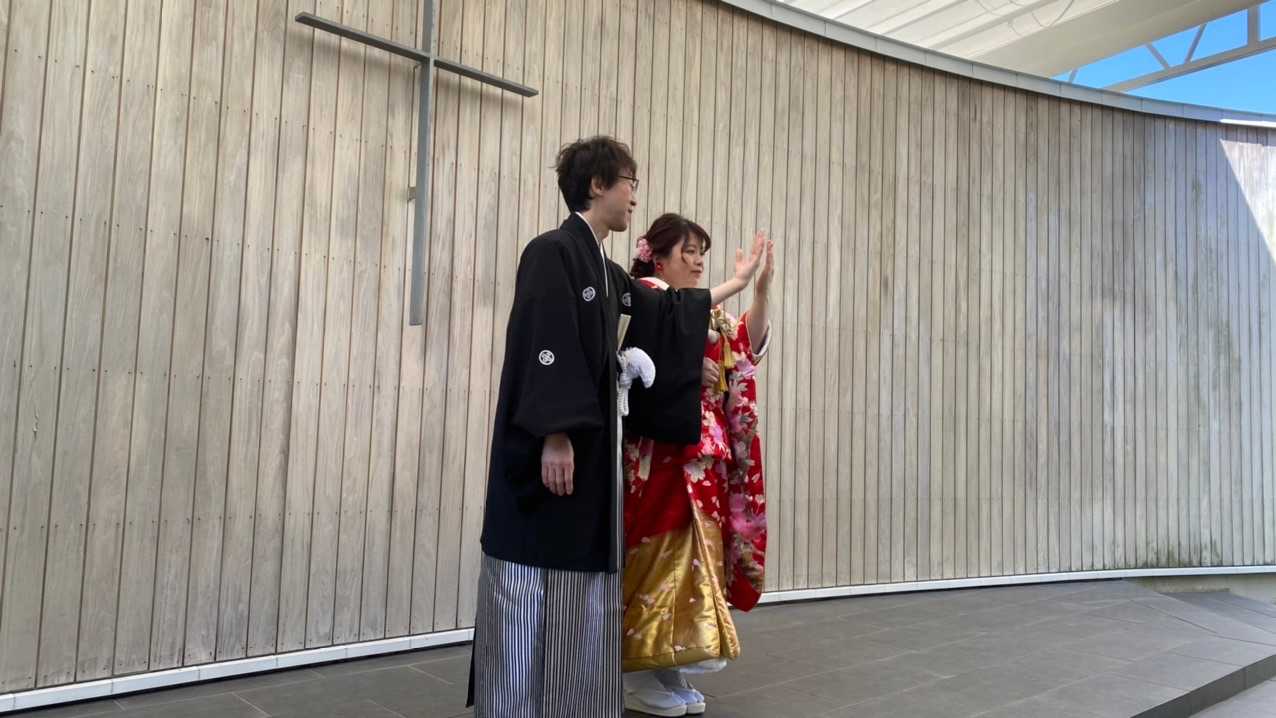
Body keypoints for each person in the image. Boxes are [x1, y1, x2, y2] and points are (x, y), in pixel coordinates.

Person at [468, 136, 768, 718]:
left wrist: (740, 284)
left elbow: (669, 314)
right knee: (530, 583)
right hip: (552, 452)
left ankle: (571, 703)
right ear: (597, 184)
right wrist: (555, 434)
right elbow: (544, 344)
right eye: (629, 182)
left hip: (592, 458)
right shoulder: (551, 252)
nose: (634, 196)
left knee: (583, 584)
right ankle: (517, 704)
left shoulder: (607, 272)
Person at [620, 214, 774, 717]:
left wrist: (761, 293)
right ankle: (638, 670)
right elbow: (652, 350)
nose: (697, 261)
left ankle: (671, 662)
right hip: (661, 453)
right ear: (658, 258)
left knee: (697, 559)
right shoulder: (648, 297)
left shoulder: (703, 311)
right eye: (687, 251)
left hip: (702, 454)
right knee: (658, 555)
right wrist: (689, 365)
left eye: (700, 252)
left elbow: (743, 349)